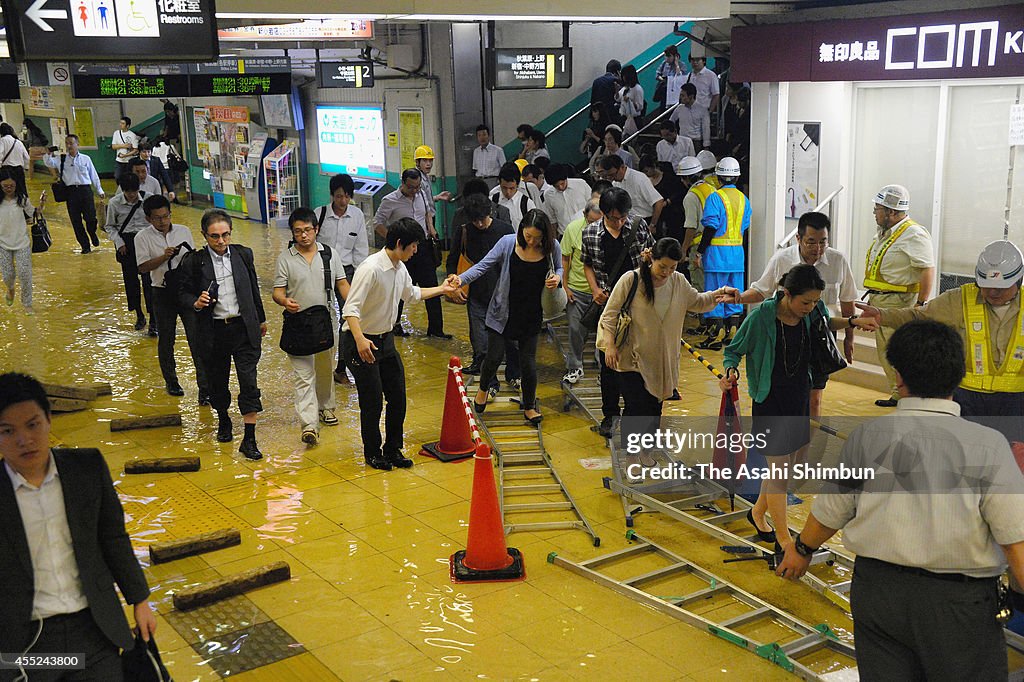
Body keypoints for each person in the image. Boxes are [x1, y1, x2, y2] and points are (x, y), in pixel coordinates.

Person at [774, 319, 1024, 681]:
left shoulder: (867, 438)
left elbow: (830, 512)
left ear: (898, 377)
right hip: (957, 606)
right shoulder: (987, 446)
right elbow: (1015, 541)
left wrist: (801, 549)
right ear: (959, 376)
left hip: (878, 595)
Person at [0, 372, 157, 681]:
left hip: (94, 629)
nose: (24, 440)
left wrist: (139, 600)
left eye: (32, 425)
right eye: (8, 430)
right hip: (25, 642)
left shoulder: (85, 468)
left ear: (48, 420)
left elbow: (112, 537)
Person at [721, 264, 876, 551]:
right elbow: (733, 350)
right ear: (787, 294)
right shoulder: (761, 318)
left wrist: (852, 323)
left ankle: (757, 513)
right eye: (806, 302)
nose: (811, 307)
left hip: (799, 395)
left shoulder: (812, 314)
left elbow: (826, 324)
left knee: (781, 469)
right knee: (779, 470)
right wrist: (730, 372)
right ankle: (783, 538)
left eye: (816, 302)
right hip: (770, 400)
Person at [856, 240, 1024, 443]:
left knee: (1013, 459)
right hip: (966, 399)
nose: (993, 292)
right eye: (987, 286)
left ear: (1019, 280)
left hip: (1018, 401)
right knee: (965, 454)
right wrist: (883, 315)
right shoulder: (959, 299)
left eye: (1001, 287)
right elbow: (919, 318)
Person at [342, 218, 457, 471]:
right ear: (398, 243)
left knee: (397, 397)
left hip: (384, 341)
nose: (416, 250)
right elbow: (350, 308)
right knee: (371, 401)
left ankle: (393, 449)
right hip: (359, 339)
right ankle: (372, 453)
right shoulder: (370, 268)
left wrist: (441, 289)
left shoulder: (399, 267)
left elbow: (413, 294)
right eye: (413, 245)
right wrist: (361, 340)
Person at [728, 211, 859, 417]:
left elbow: (847, 299)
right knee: (786, 396)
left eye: (823, 242)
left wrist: (849, 338)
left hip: (821, 333)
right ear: (798, 238)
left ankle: (803, 446)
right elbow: (762, 290)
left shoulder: (838, 260)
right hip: (786, 331)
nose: (818, 249)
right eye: (811, 242)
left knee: (813, 400)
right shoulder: (782, 260)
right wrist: (739, 298)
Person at [600, 238, 730, 434]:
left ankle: (645, 454)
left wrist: (720, 294)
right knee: (637, 410)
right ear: (652, 258)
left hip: (662, 363)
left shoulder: (678, 281)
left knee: (654, 411)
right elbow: (609, 315)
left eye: (672, 267)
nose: (666, 273)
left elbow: (698, 301)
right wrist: (610, 345)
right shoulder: (631, 280)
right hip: (632, 359)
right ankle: (633, 457)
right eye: (662, 267)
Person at [453, 210, 563, 425]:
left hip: (531, 312)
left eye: (537, 238)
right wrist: (460, 279)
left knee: (528, 362)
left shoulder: (552, 247)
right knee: (494, 356)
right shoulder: (507, 243)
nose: (531, 242)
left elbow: (559, 267)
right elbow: (483, 265)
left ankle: (529, 406)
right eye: (528, 236)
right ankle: (484, 388)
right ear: (521, 229)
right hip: (502, 310)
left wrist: (557, 277)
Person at [178, 209, 267, 460]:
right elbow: (181, 294)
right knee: (217, 382)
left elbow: (253, 288)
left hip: (243, 328)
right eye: (214, 237)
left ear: (231, 232)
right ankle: (224, 418)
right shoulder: (194, 262)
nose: (220, 241)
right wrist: (196, 302)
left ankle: (249, 438)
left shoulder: (243, 254)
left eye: (225, 235)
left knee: (249, 382)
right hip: (214, 331)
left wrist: (260, 319)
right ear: (204, 235)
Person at [582, 187, 656, 437]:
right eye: (615, 217)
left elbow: (653, 258)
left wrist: (649, 260)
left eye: (624, 216)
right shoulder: (591, 233)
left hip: (639, 303)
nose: (621, 221)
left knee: (638, 359)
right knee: (608, 362)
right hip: (609, 306)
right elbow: (587, 265)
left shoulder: (638, 226)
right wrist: (594, 290)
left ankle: (634, 414)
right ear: (604, 213)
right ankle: (610, 415)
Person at [273, 207, 350, 446]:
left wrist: (354, 309)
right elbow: (277, 292)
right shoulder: (285, 258)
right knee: (303, 376)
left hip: (325, 322)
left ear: (316, 229)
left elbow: (342, 284)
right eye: (298, 232)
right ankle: (309, 425)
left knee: (325, 368)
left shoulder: (329, 255)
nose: (303, 236)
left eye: (308, 230)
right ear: (293, 233)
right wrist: (285, 301)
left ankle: (326, 407)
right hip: (297, 324)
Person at [862, 184, 935, 407]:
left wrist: (921, 304)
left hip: (899, 303)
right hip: (880, 301)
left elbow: (927, 269)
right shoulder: (885, 234)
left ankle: (908, 397)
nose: (875, 212)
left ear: (891, 212)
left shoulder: (913, 234)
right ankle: (898, 395)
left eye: (878, 208)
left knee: (899, 353)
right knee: (886, 353)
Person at [136, 195, 208, 403]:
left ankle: (204, 388)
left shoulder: (183, 231)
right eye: (157, 218)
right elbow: (142, 267)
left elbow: (193, 260)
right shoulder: (142, 237)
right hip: (161, 292)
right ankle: (171, 381)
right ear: (148, 219)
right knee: (166, 339)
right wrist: (163, 257)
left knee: (196, 339)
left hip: (187, 292)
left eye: (166, 216)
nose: (163, 221)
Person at [445, 194, 518, 386]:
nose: (479, 224)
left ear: (490, 212)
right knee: (480, 339)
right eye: (474, 220)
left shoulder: (505, 230)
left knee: (510, 339)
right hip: (476, 293)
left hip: (504, 294)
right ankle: (488, 379)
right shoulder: (465, 232)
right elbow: (453, 259)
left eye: (482, 219)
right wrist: (454, 285)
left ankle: (514, 374)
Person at [373, 168, 449, 339]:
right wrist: (394, 241)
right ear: (403, 183)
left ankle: (436, 329)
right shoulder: (390, 200)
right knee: (399, 288)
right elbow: (377, 223)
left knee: (432, 288)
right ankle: (395, 325)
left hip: (423, 248)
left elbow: (428, 212)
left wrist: (431, 228)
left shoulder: (422, 194)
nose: (414, 191)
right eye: (411, 187)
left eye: (417, 187)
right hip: (403, 252)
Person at [315, 173, 369, 384]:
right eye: (338, 196)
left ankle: (341, 368)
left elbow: (361, 249)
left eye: (347, 196)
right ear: (331, 196)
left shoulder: (356, 216)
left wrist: (359, 277)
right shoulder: (319, 215)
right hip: (320, 271)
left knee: (349, 317)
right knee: (321, 316)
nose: (343, 201)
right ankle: (320, 365)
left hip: (346, 274)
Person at [695, 156, 749, 350]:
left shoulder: (715, 197)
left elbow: (710, 227)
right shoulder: (744, 199)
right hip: (737, 256)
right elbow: (745, 226)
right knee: (735, 294)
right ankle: (732, 332)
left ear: (718, 177)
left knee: (715, 294)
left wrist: (700, 252)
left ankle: (715, 334)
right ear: (736, 178)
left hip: (716, 255)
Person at [104, 173, 156, 335]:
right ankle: (139, 315)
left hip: (146, 244)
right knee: (131, 283)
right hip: (126, 245)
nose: (131, 195)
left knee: (150, 282)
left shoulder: (149, 200)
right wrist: (119, 243)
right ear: (123, 190)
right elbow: (110, 226)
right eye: (128, 192)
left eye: (134, 191)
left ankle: (153, 318)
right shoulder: (114, 203)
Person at [561, 199, 603, 385]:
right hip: (578, 289)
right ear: (585, 215)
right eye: (591, 221)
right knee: (575, 329)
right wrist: (565, 286)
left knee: (604, 333)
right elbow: (565, 258)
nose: (595, 225)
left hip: (603, 291)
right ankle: (575, 367)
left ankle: (605, 370)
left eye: (599, 221)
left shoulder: (608, 230)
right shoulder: (573, 228)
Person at [44, 134, 105, 254]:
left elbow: (93, 175)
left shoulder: (85, 159)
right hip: (70, 193)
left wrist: (100, 190)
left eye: (71, 143)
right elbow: (48, 163)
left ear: (77, 144)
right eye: (67, 143)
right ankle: (85, 245)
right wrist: (48, 153)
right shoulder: (61, 159)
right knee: (76, 221)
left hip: (85, 191)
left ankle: (92, 234)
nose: (69, 145)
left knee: (91, 218)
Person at [0, 169, 38, 311]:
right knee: (7, 275)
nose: (9, 189)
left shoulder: (22, 199)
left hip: (22, 242)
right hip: (2, 244)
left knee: (25, 274)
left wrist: (41, 205)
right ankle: (10, 289)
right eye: (5, 186)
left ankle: (27, 304)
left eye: (12, 186)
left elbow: (32, 215)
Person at [600, 154, 665, 228]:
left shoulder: (639, 179)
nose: (611, 178)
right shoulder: (615, 183)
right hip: (629, 222)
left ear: (622, 167)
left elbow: (659, 202)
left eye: (613, 174)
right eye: (608, 176)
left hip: (647, 220)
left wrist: (653, 225)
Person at [638, 155, 685, 242]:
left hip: (671, 212)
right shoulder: (645, 181)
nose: (646, 174)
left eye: (646, 171)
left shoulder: (668, 176)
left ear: (653, 167)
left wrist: (667, 202)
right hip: (656, 214)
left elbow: (679, 192)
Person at [542, 164, 590, 237]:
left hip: (586, 231)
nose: (561, 187)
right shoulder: (548, 194)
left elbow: (593, 206)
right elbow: (552, 220)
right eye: (556, 186)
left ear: (566, 178)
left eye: (562, 183)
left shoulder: (581, 184)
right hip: (565, 235)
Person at [489, 162, 536, 231]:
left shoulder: (526, 203)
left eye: (512, 188)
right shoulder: (492, 200)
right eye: (504, 188)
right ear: (499, 183)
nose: (508, 192)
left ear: (517, 185)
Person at [669, 83, 711, 153]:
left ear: (691, 96)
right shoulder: (679, 108)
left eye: (683, 95)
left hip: (696, 142)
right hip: (682, 141)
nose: (680, 98)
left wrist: (706, 146)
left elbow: (706, 128)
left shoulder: (702, 109)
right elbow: (671, 121)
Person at [654, 44, 686, 115]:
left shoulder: (681, 65)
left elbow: (680, 77)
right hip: (665, 90)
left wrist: (676, 64)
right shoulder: (664, 64)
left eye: (669, 56)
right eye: (665, 56)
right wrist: (662, 79)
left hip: (675, 92)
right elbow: (657, 74)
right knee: (663, 111)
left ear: (675, 56)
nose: (667, 58)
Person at [0, 122, 30, 196]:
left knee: (7, 192)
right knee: (21, 190)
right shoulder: (19, 142)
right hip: (19, 170)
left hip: (7, 171)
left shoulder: (2, 141)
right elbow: (26, 157)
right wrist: (26, 167)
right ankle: (24, 205)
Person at [615, 65, 645, 137]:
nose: (623, 78)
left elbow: (640, 106)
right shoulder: (625, 88)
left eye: (625, 75)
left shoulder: (637, 89)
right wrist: (616, 90)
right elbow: (617, 98)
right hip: (624, 117)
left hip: (634, 119)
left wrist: (630, 101)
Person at [590, 59, 622, 123]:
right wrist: (620, 79)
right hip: (612, 115)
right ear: (617, 71)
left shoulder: (596, 81)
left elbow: (592, 100)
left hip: (598, 115)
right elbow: (620, 98)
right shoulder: (616, 80)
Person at [110, 116, 139, 183]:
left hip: (129, 160)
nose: (120, 125)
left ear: (127, 125)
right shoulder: (116, 133)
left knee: (129, 177)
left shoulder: (132, 135)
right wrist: (123, 145)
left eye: (123, 123)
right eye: (120, 123)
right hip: (119, 160)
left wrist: (125, 155)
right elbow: (113, 146)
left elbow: (135, 149)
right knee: (117, 176)